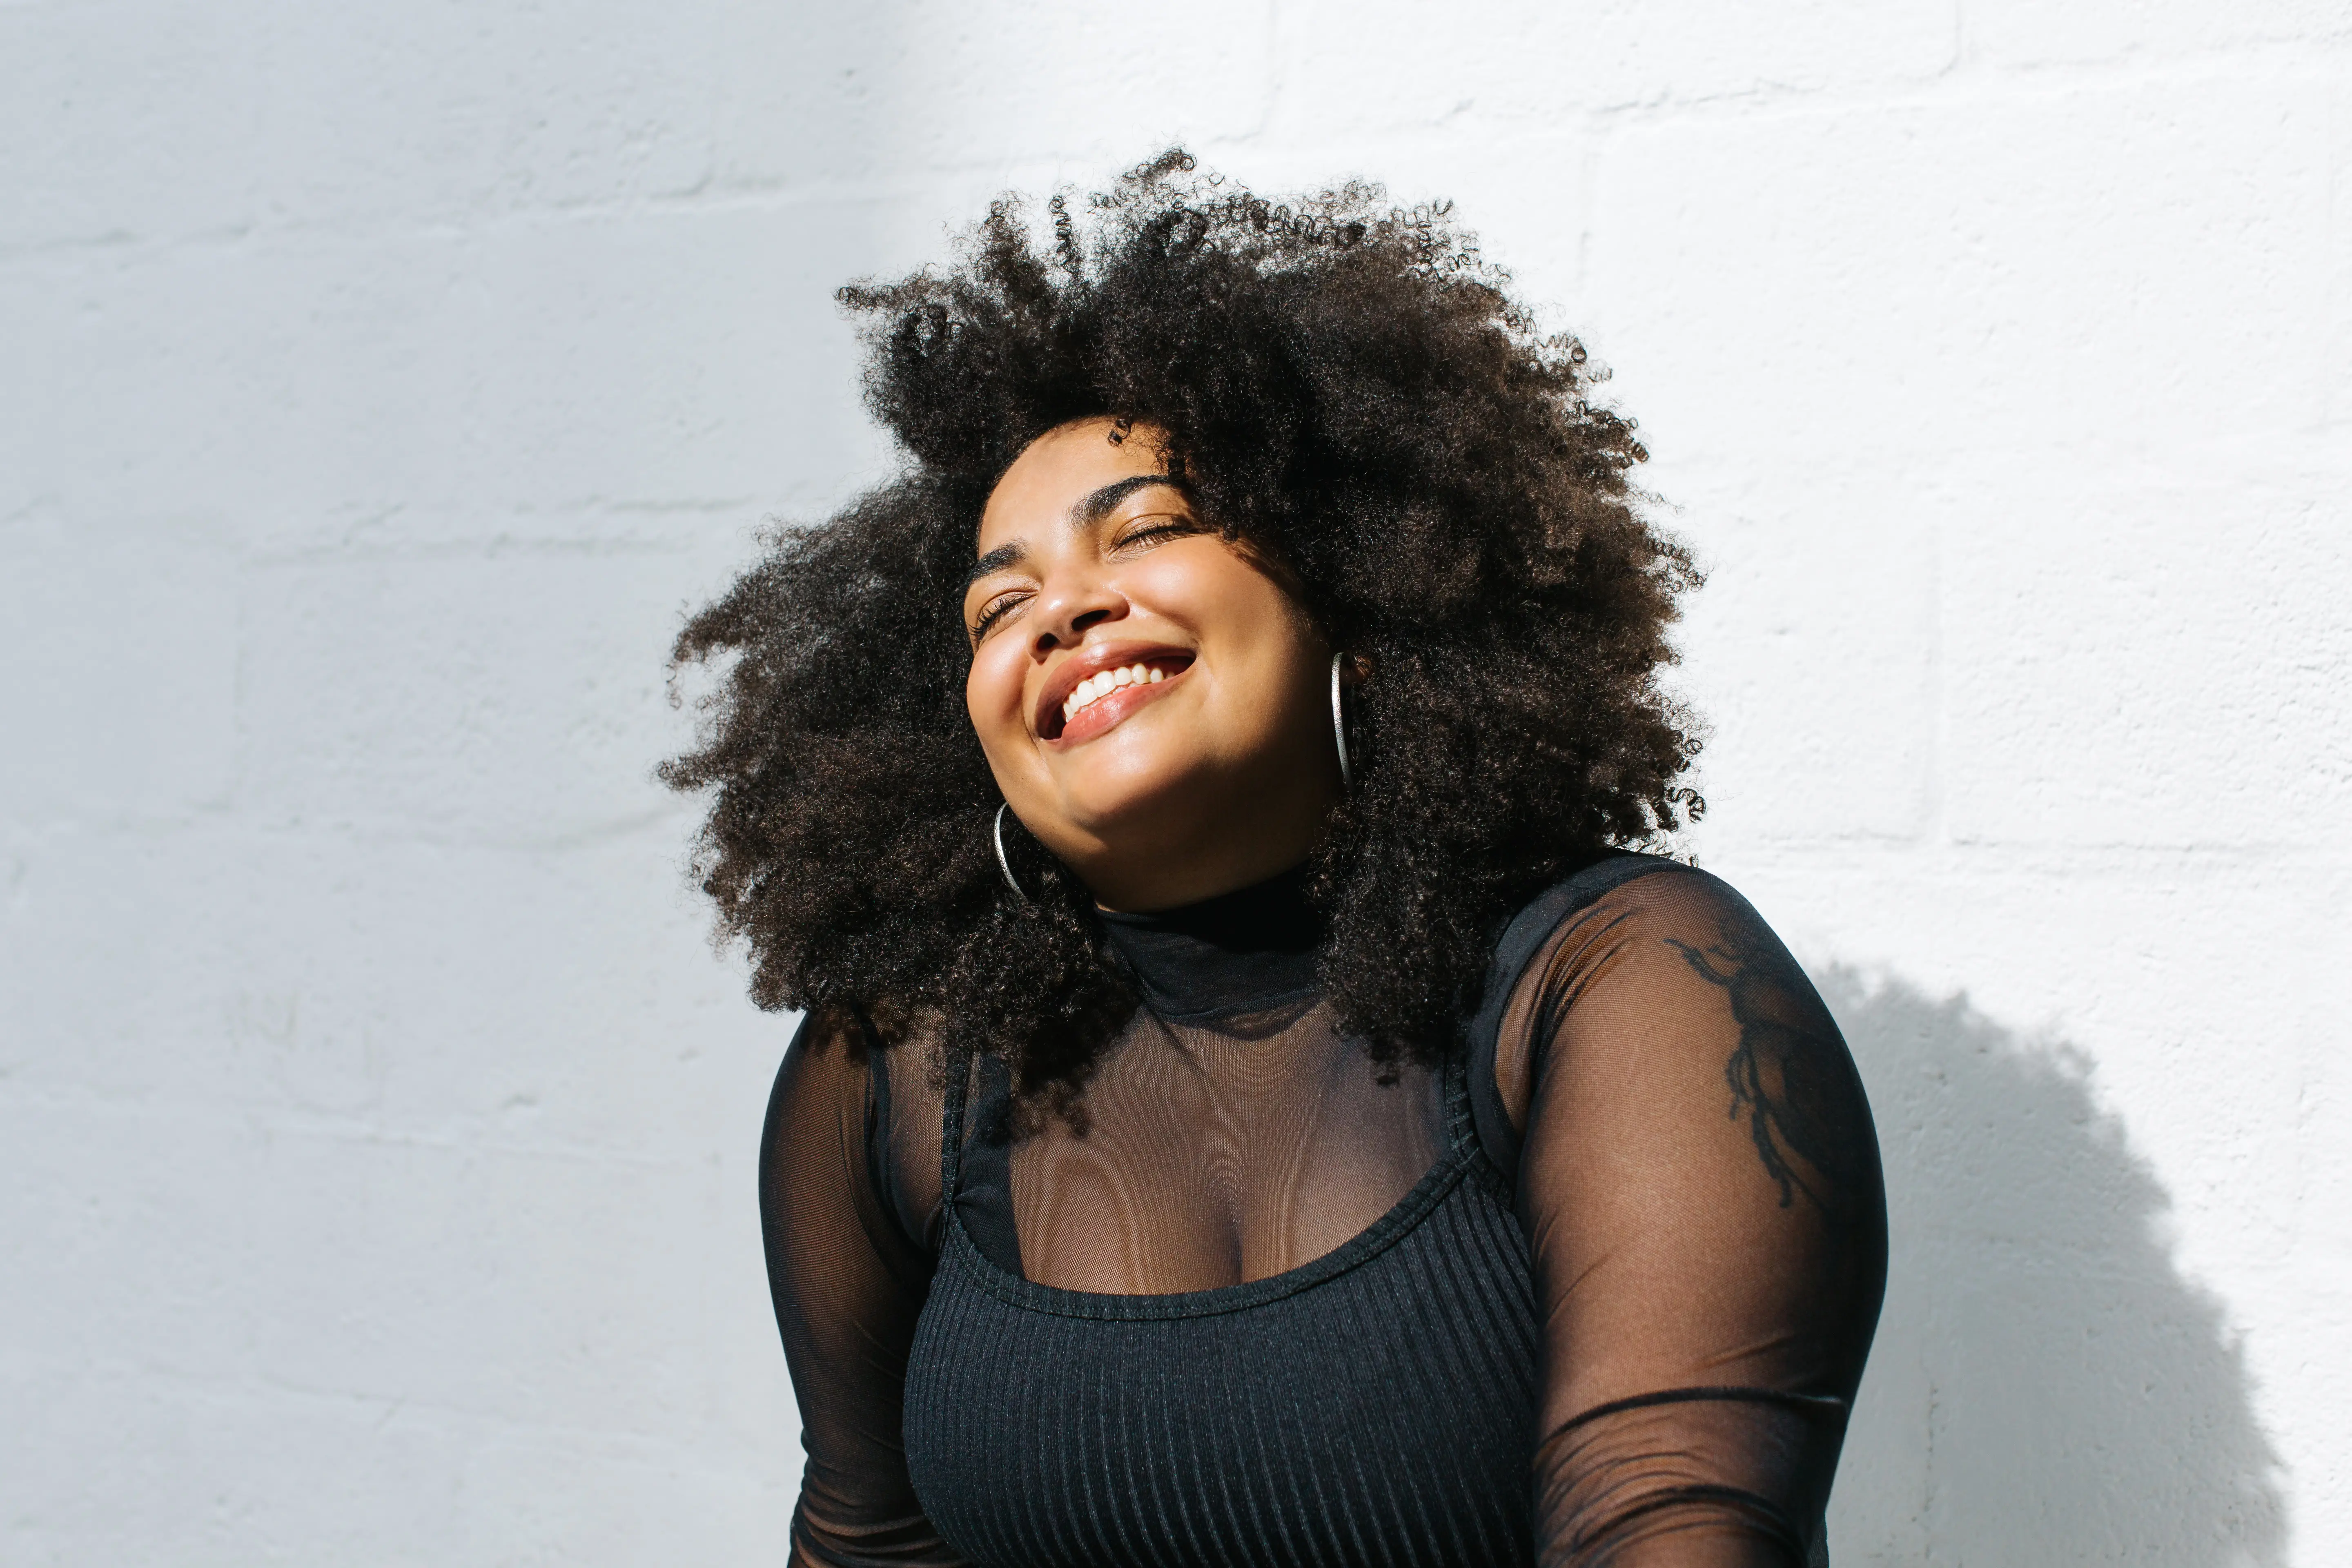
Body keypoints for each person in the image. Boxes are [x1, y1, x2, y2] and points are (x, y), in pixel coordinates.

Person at [664, 151, 1887, 1568]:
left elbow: (1672, 1522)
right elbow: (865, 1545)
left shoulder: (1623, 985)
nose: (1065, 612)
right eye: (1000, 607)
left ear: (1358, 593)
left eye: (1151, 528)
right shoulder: (897, 1069)